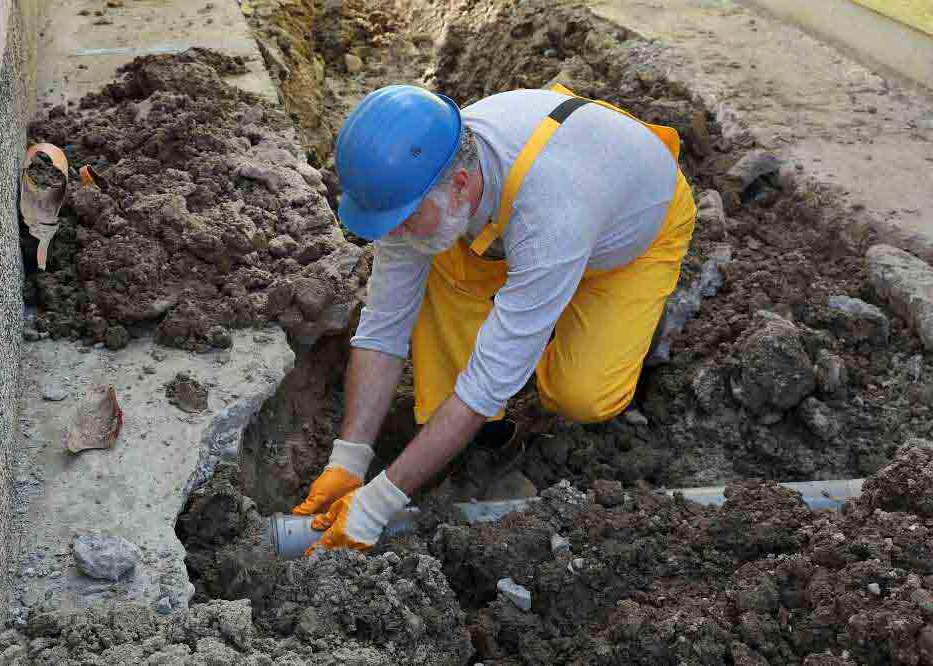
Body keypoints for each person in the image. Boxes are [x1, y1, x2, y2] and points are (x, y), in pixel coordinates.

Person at [292, 83, 696, 555]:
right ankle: (489, 435)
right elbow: (383, 325)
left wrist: (377, 504)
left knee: (582, 394)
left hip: (629, 235)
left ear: (461, 185)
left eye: (404, 219)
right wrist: (349, 459)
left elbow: (483, 385)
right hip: (529, 220)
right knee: (443, 268)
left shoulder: (550, 216)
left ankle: (574, 320)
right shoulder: (420, 180)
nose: (394, 234)